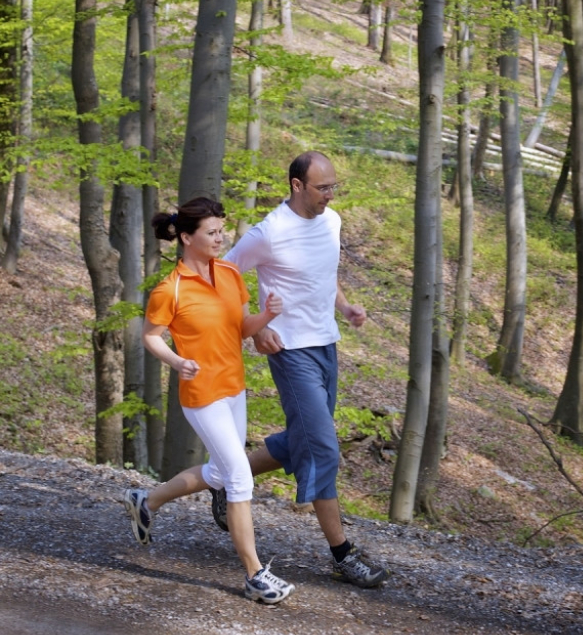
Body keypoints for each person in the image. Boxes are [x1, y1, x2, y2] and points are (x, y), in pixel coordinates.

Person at [216, 151, 388, 589]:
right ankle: (342, 555)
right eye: (322, 188)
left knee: (303, 440)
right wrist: (252, 328)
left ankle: (229, 477)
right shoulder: (270, 232)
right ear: (297, 185)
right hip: (290, 349)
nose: (330, 195)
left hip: (326, 343)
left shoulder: (331, 222)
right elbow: (225, 275)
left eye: (334, 187)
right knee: (323, 448)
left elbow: (323, 272)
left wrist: (345, 306)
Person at [122, 196, 295, 605]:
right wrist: (176, 360)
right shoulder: (171, 289)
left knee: (220, 472)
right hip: (201, 396)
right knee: (239, 478)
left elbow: (240, 328)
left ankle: (147, 499)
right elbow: (150, 336)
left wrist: (267, 317)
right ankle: (255, 575)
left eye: (222, 230)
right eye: (212, 233)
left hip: (234, 387)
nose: (221, 238)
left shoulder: (232, 274)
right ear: (185, 237)